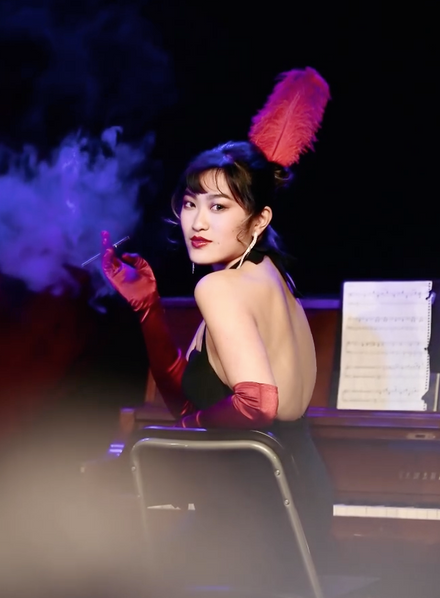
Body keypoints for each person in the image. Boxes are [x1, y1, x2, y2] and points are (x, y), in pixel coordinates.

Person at [101, 68, 334, 585]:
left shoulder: (219, 288)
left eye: (219, 206)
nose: (198, 222)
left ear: (259, 219)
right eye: (190, 204)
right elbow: (193, 400)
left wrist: (180, 434)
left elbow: (257, 404)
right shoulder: (272, 276)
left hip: (254, 517)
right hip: (301, 501)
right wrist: (148, 309)